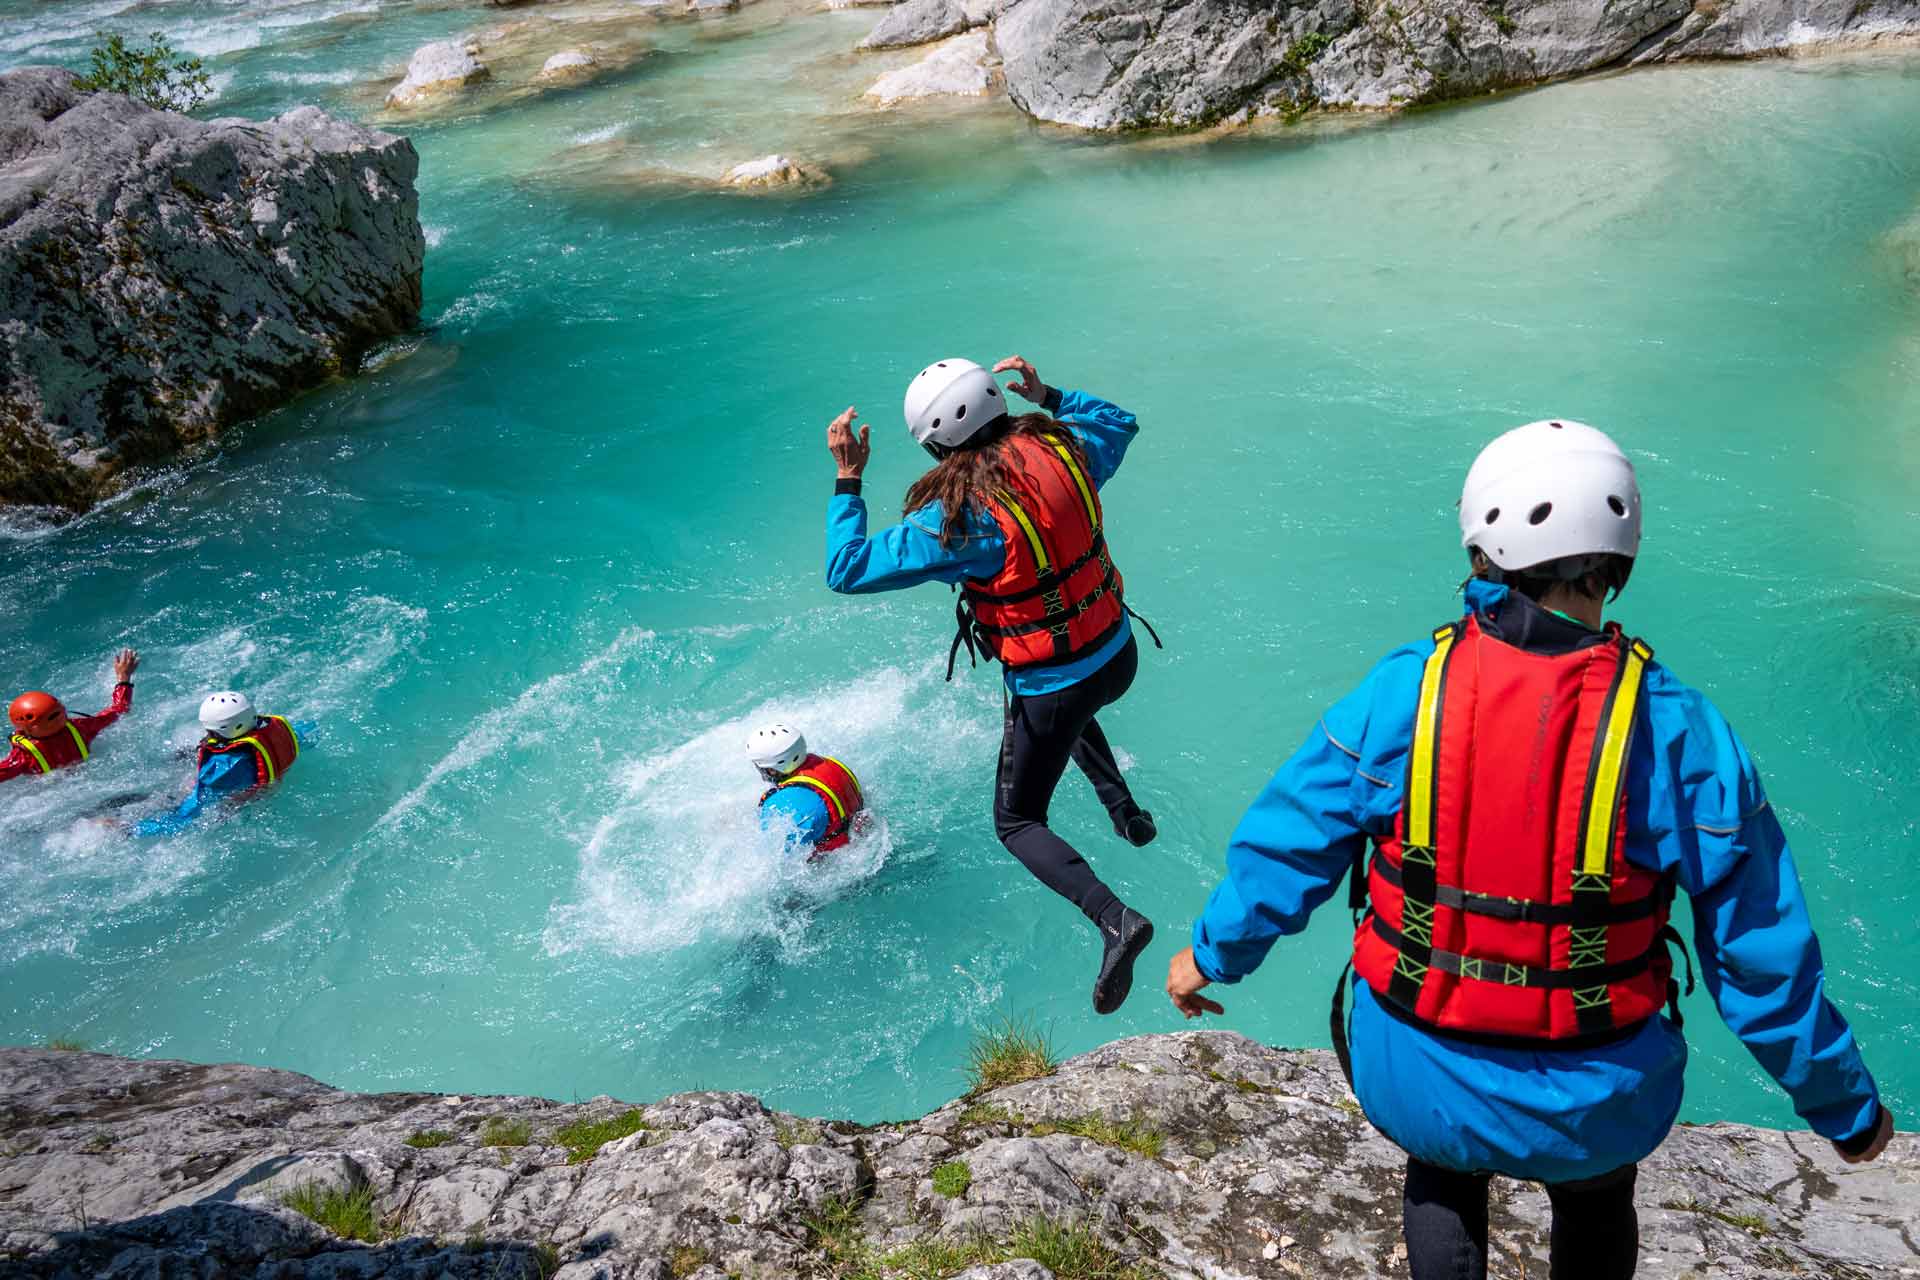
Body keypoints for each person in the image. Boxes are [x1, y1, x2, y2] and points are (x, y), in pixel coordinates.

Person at [1165, 419, 1894, 1279]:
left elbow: (1289, 845)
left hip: (1417, 1069)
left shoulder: (1407, 689)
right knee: (1596, 1193)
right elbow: (1763, 961)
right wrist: (1846, 1112)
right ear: (1616, 560)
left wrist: (1210, 957)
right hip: (1598, 1101)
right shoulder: (1680, 730)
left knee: (1440, 1171)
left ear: (1484, 544)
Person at [823, 354, 1160, 1013]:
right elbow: (1120, 422)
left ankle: (1114, 919)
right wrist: (1050, 393)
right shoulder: (1068, 451)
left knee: (1017, 820)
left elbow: (847, 567)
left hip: (1058, 682)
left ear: (936, 443)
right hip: (1117, 653)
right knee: (1062, 704)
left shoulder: (959, 519)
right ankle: (1128, 814)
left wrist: (847, 478)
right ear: (997, 404)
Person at [132, 691, 310, 837]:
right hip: (273, 776)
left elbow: (188, 814)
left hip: (242, 797)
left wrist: (134, 830)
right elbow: (306, 732)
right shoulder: (278, 729)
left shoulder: (222, 769)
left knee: (173, 800)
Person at [2, 649, 140, 782]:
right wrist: (124, 677)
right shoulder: (81, 727)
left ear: (26, 728)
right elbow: (120, 708)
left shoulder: (24, 755)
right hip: (92, 777)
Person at [749, 723, 866, 858]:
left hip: (836, 860)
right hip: (858, 840)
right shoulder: (829, 764)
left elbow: (773, 856)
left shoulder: (791, 805)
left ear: (771, 770)